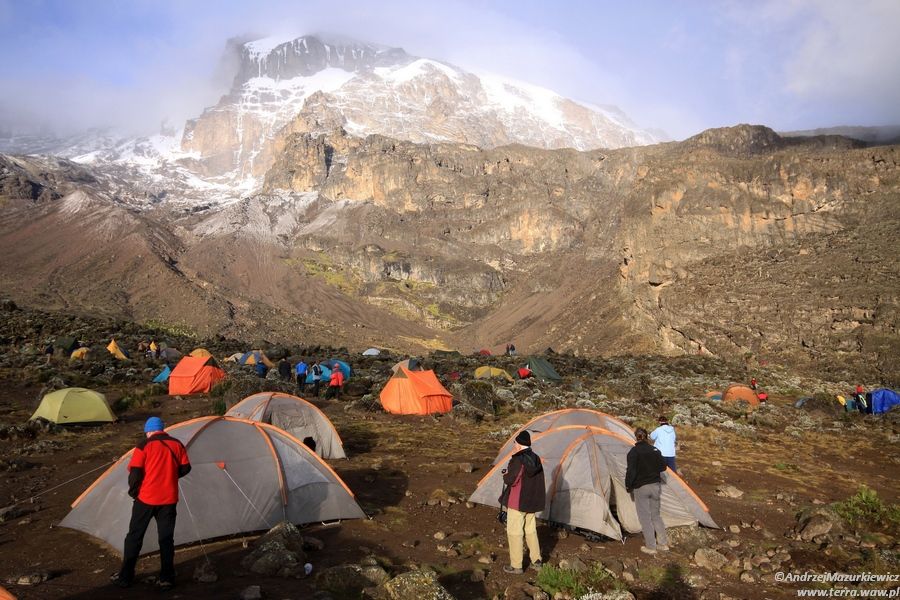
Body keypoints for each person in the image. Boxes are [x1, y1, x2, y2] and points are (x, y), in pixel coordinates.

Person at [112, 417, 191, 589]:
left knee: (134, 536)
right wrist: (170, 477)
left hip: (146, 499)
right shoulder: (177, 444)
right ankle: (167, 578)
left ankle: (126, 576)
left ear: (148, 430)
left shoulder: (143, 445)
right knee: (166, 538)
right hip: (169, 499)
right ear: (162, 429)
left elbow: (135, 473)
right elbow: (186, 467)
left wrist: (134, 492)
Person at [499, 431, 545, 574]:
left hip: (518, 502)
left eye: (514, 443)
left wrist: (505, 474)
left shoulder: (518, 460)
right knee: (531, 530)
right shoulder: (536, 458)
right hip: (531, 502)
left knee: (514, 532)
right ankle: (536, 561)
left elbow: (511, 480)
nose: (513, 445)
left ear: (519, 444)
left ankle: (516, 565)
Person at [625, 428, 668, 555]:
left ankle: (651, 546)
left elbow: (631, 471)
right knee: (655, 515)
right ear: (646, 436)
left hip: (641, 488)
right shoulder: (655, 450)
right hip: (655, 486)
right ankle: (663, 544)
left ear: (636, 437)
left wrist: (628, 486)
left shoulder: (633, 452)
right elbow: (663, 467)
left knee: (645, 517)